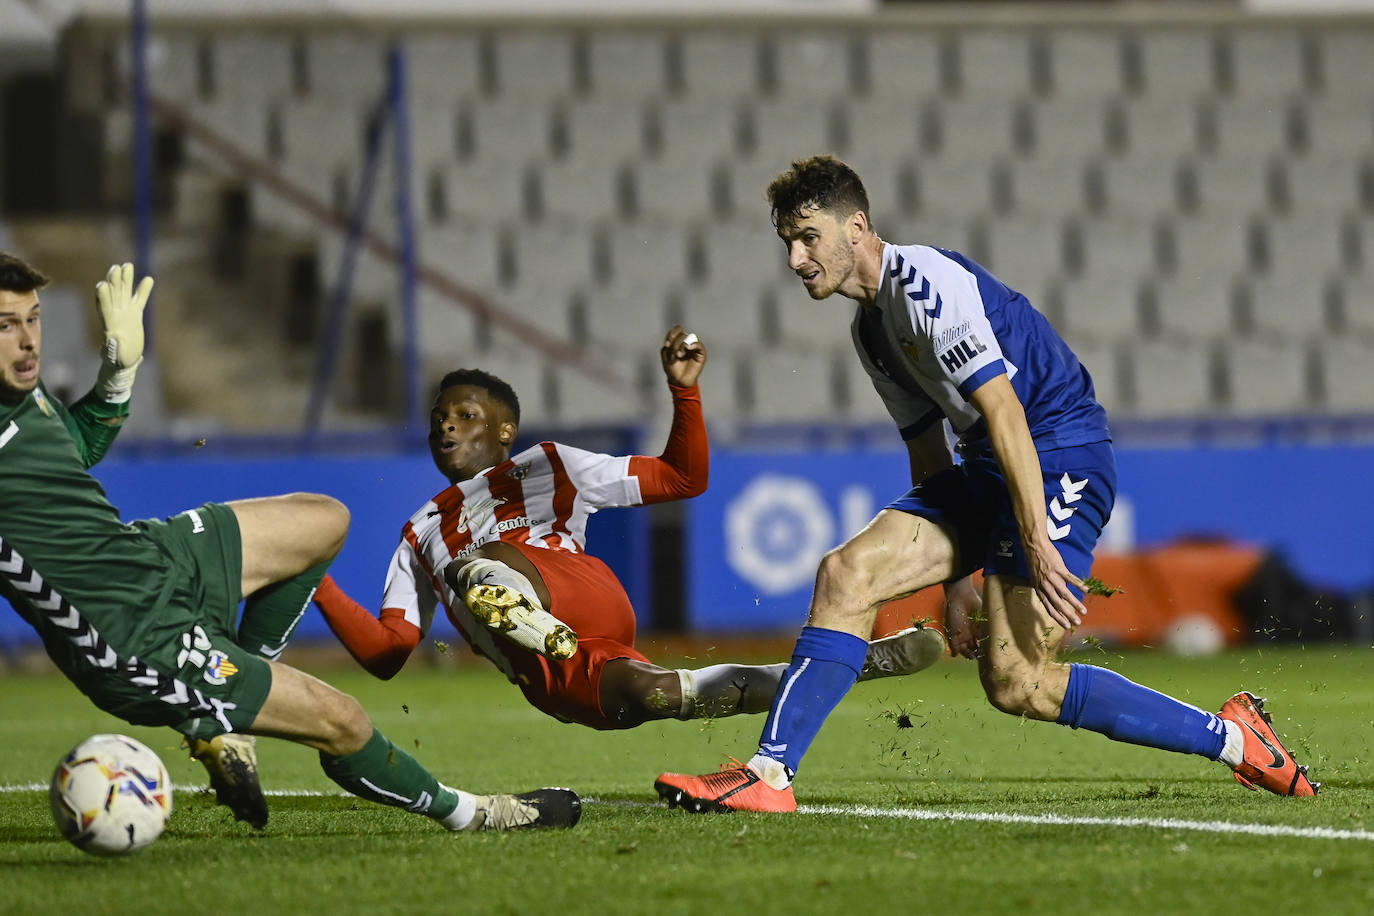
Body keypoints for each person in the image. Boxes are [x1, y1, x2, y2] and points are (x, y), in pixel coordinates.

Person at [654, 155, 1318, 812]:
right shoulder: (873, 330)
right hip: (985, 464)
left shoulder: (924, 287)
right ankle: (769, 775)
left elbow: (1005, 411)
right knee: (846, 575)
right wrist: (954, 584)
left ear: (855, 226)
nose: (796, 260)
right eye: (788, 244)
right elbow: (926, 450)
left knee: (1017, 681)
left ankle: (1237, 739)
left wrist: (1035, 539)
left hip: (1058, 454)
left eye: (808, 238)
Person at [0, 252, 579, 832]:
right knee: (343, 721)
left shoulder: (22, 394)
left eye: (33, 318)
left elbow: (65, 451)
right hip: (129, 633)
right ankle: (475, 815)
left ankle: (227, 726)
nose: (28, 341)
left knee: (323, 520)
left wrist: (118, 376)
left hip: (147, 554)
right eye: (6, 325)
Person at [311, 326, 945, 731]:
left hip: (579, 592)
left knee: (472, 566)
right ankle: (855, 663)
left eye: (464, 415)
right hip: (551, 672)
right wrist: (316, 582)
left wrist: (684, 394)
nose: (445, 426)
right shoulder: (418, 531)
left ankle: (513, 601)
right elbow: (391, 653)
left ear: (504, 430)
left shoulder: (550, 466)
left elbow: (680, 479)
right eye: (437, 418)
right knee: (660, 696)